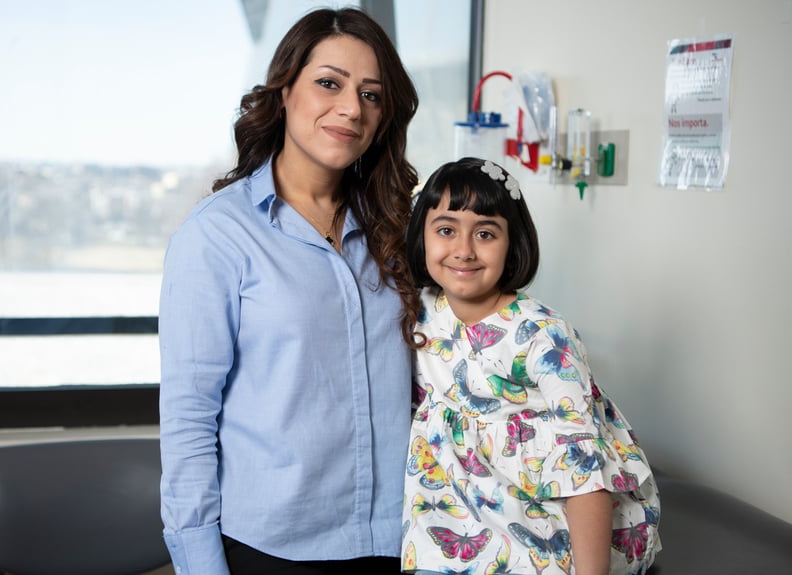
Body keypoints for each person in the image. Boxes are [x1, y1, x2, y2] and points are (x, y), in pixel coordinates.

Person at [158, 8, 419, 575]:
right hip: (270, 551)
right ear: (283, 93)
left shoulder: (399, 231)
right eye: (329, 83)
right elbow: (188, 421)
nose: (351, 108)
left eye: (372, 95)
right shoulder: (216, 236)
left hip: (403, 541)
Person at [399, 157, 661, 575]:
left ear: (513, 243)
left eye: (485, 233)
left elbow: (583, 469)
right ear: (422, 236)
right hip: (450, 516)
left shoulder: (544, 336)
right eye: (446, 230)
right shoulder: (418, 312)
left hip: (545, 520)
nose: (464, 250)